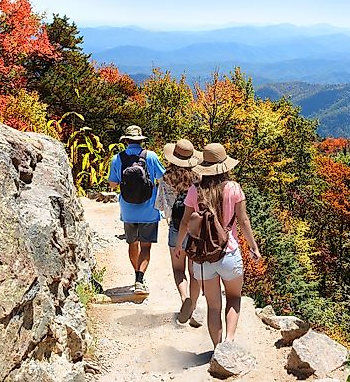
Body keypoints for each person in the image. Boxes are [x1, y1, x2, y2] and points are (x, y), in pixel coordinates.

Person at [174, 143, 261, 347]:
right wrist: (253, 246)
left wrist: (179, 246)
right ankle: (228, 343)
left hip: (203, 256)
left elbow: (186, 222)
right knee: (233, 298)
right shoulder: (233, 188)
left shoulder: (195, 190)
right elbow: (243, 220)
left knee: (213, 306)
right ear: (224, 166)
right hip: (229, 253)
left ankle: (216, 349)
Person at [108, 125, 165, 294]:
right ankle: (139, 279)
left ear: (125, 140)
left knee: (132, 243)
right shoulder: (151, 156)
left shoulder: (117, 158)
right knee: (146, 246)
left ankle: (137, 275)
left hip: (128, 210)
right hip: (149, 209)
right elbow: (162, 178)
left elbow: (112, 183)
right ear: (141, 140)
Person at [154, 138, 202, 324]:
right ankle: (195, 308)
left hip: (176, 226)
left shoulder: (166, 177)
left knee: (178, 268)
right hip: (195, 228)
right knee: (194, 270)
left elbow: (161, 205)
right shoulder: (198, 177)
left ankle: (184, 299)